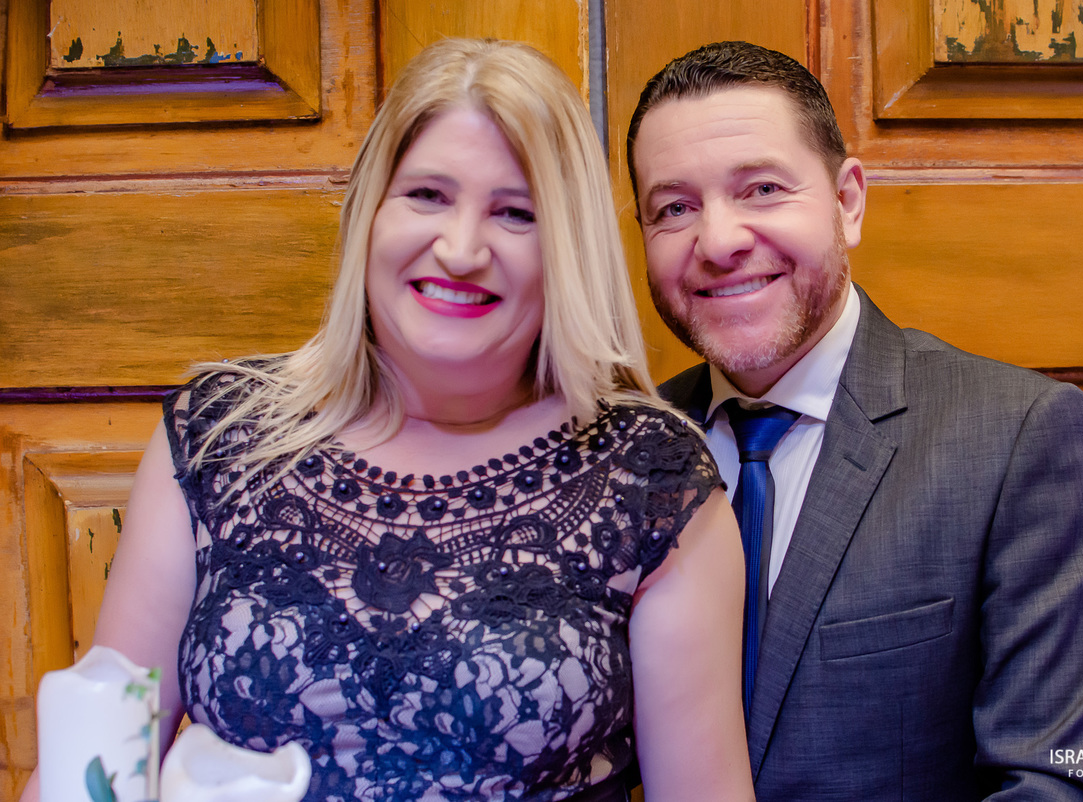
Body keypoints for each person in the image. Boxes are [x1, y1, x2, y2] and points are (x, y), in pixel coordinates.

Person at [21, 38, 753, 802]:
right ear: (370, 211)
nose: (461, 248)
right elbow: (94, 761)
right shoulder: (220, 437)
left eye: (515, 212)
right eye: (428, 196)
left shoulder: (649, 475)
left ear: (567, 247)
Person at [626, 40, 1083, 801]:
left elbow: (1064, 784)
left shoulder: (1021, 437)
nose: (719, 241)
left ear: (848, 201)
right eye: (674, 208)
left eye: (762, 189)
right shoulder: (622, 452)